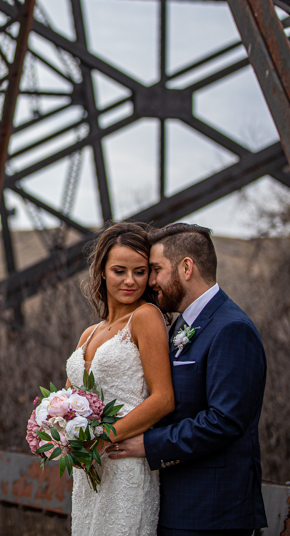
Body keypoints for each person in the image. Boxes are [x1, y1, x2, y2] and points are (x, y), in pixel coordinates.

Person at [111, 223, 268, 536]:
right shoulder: (181, 326)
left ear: (186, 267)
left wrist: (147, 444)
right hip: (175, 505)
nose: (150, 281)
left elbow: (224, 421)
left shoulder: (231, 329)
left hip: (211, 512)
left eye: (156, 270)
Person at [65, 222, 175, 536]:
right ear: (101, 271)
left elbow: (163, 398)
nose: (130, 281)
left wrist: (103, 439)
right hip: (90, 469)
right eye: (119, 271)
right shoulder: (90, 333)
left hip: (124, 462)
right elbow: (72, 401)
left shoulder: (146, 318)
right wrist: (61, 436)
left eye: (140, 272)